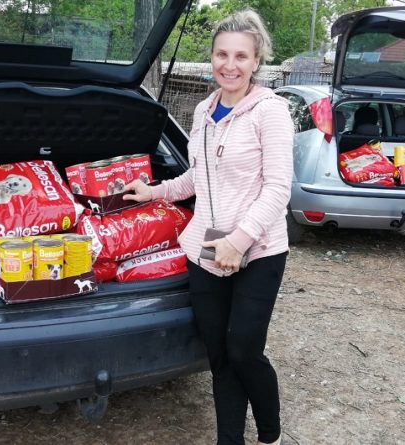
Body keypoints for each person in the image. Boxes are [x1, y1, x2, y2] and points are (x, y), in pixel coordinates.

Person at [122, 8, 293, 445]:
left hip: (259, 249)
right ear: (212, 57)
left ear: (257, 61)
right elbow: (198, 177)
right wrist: (154, 192)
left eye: (241, 56)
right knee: (219, 356)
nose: (229, 65)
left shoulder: (270, 111)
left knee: (244, 349)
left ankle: (270, 434)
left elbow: (278, 188)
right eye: (222, 54)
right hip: (208, 247)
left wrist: (239, 240)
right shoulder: (204, 109)